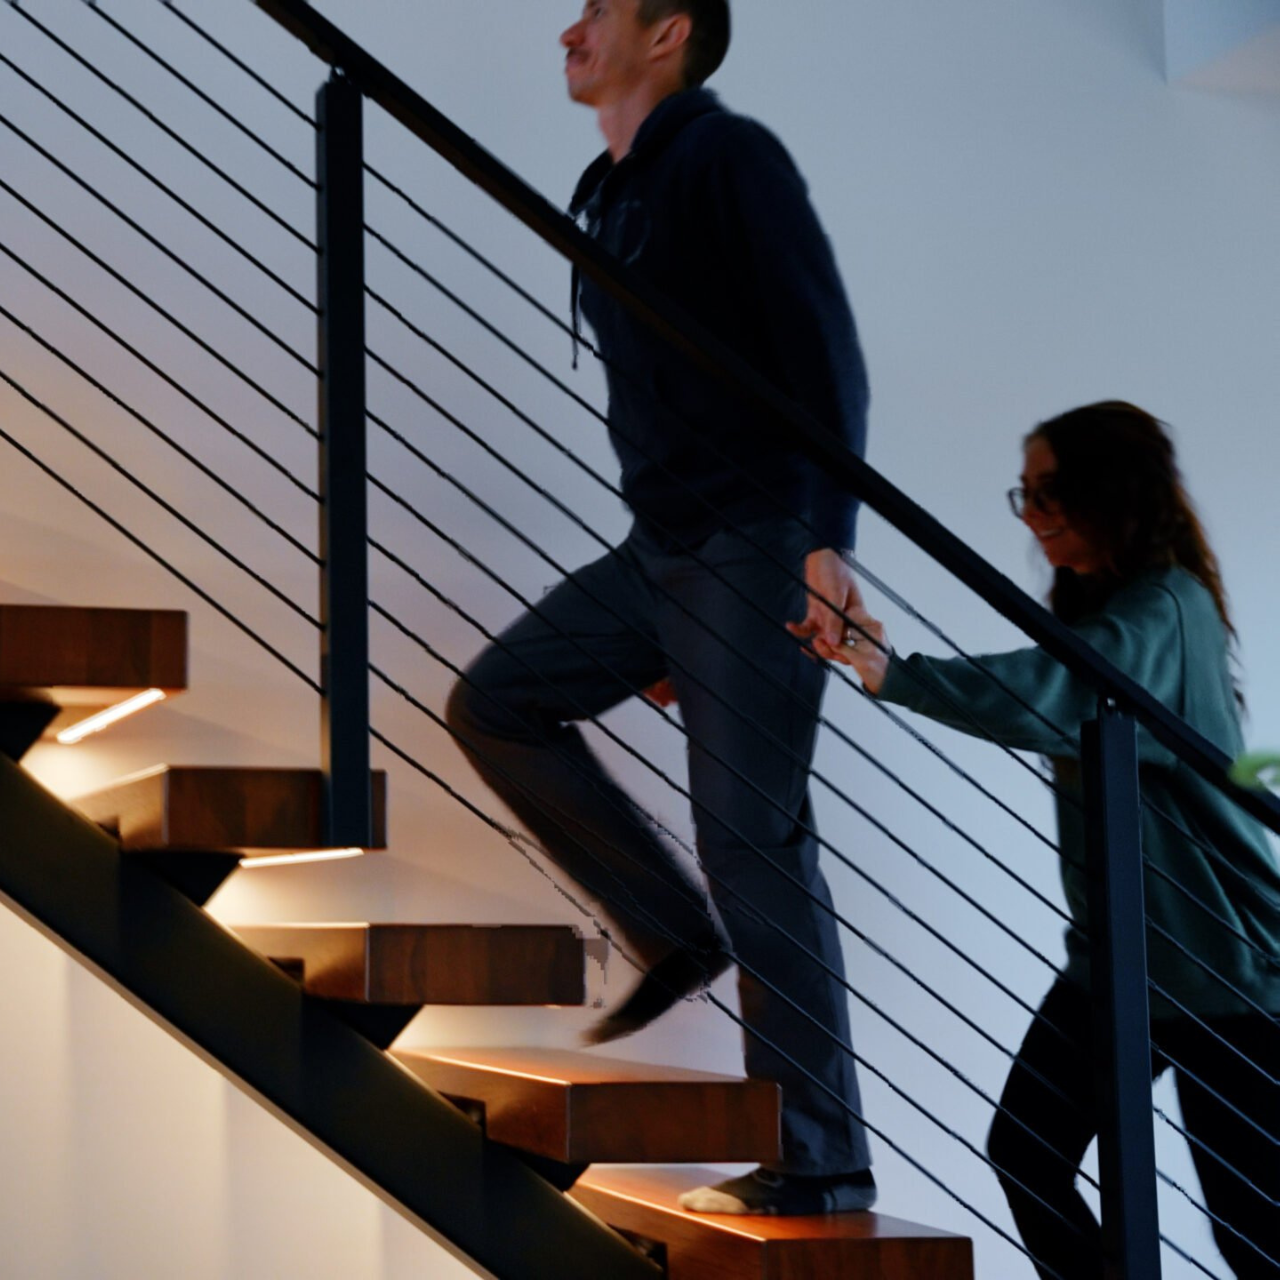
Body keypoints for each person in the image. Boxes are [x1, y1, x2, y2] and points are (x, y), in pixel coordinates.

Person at [446, 0, 877, 1215]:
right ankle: (668, 928)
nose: (567, 28)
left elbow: (823, 352)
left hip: (754, 542)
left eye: (594, 9)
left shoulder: (729, 158)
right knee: (497, 702)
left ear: (667, 30)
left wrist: (823, 546)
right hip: (665, 554)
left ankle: (820, 1161)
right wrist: (668, 620)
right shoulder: (614, 187)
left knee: (755, 843)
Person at [829, 402, 1280, 1277]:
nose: (1034, 515)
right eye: (1025, 494)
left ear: (1114, 491)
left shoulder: (1165, 607)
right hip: (1121, 962)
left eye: (1053, 492)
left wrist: (896, 673)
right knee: (1028, 1151)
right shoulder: (1106, 607)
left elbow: (1061, 692)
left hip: (1226, 972)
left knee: (1255, 1236)